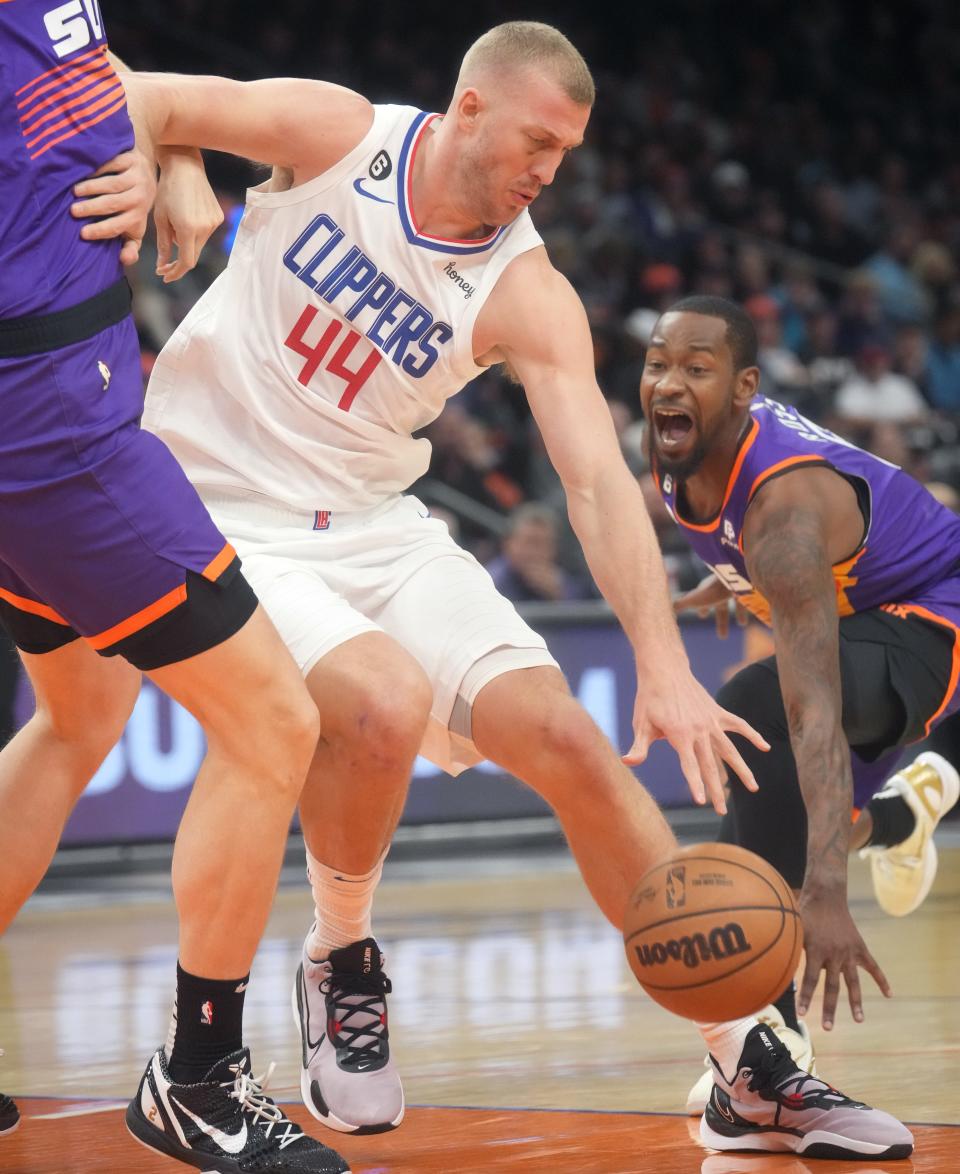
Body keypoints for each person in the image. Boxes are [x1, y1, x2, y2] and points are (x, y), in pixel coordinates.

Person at [125, 22, 912, 1159]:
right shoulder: (340, 136)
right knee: (380, 701)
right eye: (538, 138)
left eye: (569, 152)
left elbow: (596, 481)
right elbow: (132, 89)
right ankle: (339, 952)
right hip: (215, 507)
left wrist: (657, 669)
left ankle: (749, 1063)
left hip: (375, 523)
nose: (549, 169)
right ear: (471, 108)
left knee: (570, 740)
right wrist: (184, 161)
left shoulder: (527, 289)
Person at [0, 7, 349, 1172]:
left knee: (80, 716)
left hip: (63, 410)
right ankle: (197, 1078)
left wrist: (172, 152)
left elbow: (103, 79)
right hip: (54, 441)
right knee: (273, 721)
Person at [640, 295, 960, 1113]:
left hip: (935, 613)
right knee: (746, 837)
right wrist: (734, 577)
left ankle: (779, 1037)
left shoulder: (783, 515)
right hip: (858, 605)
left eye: (696, 369)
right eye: (657, 363)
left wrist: (826, 892)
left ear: (744, 387)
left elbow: (811, 710)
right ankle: (894, 821)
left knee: (760, 706)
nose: (670, 383)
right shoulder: (683, 455)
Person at [484, 503, 590, 602]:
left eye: (545, 543)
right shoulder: (491, 582)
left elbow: (588, 613)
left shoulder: (562, 578)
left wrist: (560, 594)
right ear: (509, 543)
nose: (536, 552)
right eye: (530, 542)